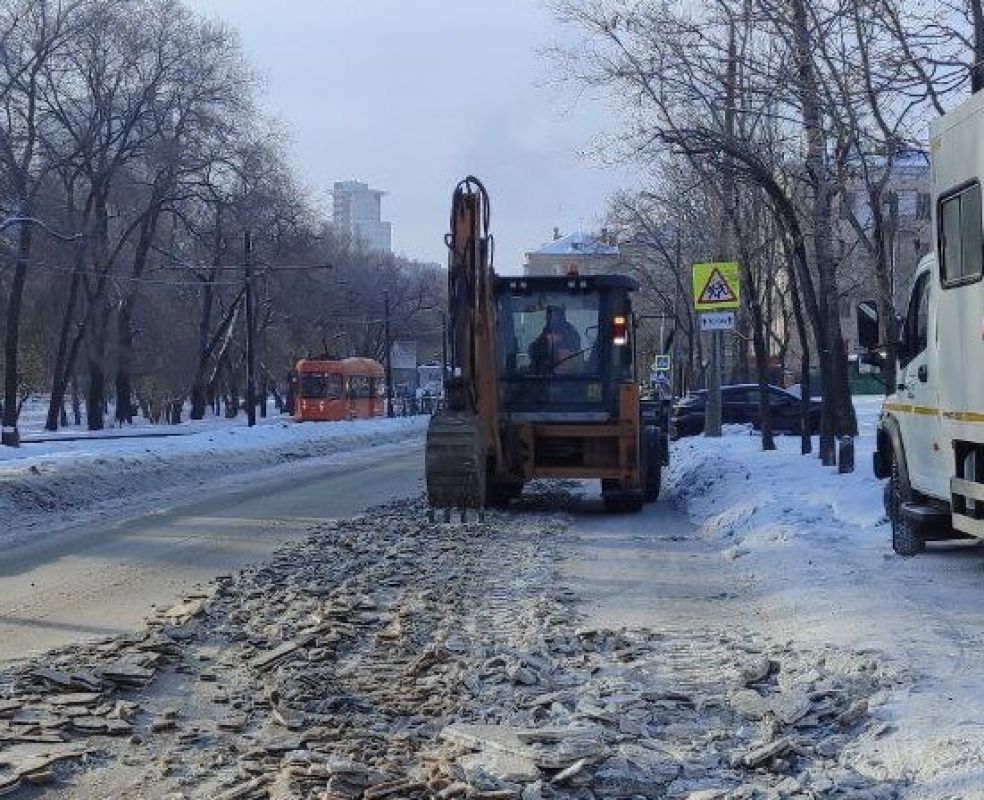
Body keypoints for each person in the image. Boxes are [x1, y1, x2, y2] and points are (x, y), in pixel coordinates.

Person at [529, 305, 582, 373]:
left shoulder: (570, 332)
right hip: (545, 376)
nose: (548, 317)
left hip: (568, 377)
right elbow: (536, 349)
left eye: (553, 314)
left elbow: (574, 350)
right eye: (548, 315)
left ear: (561, 315)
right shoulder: (546, 330)